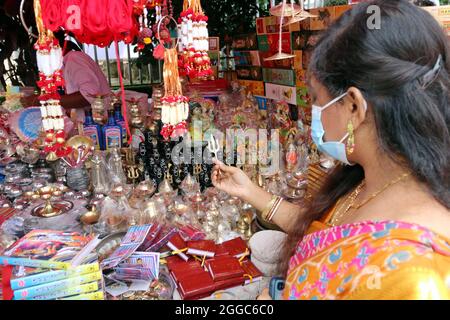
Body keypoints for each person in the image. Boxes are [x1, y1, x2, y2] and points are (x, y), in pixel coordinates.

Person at [212, 0, 450, 300]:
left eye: (316, 99)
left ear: (353, 106)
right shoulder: (374, 177)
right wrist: (250, 192)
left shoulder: (415, 275)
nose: (314, 112)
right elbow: (322, 232)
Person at [22, 31, 111, 122]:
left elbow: (88, 95)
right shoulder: (62, 65)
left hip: (98, 125)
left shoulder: (74, 59)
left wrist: (45, 101)